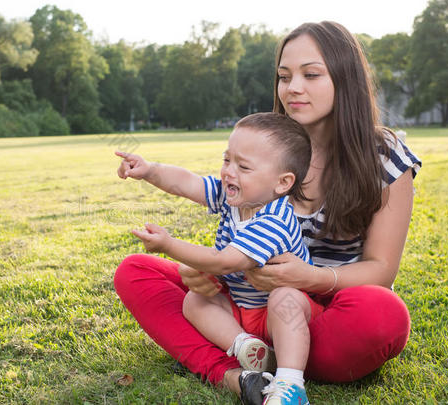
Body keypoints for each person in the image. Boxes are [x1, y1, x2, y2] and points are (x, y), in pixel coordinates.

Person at [114, 21, 421, 405]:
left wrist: (308, 277)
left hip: (322, 311)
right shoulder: (266, 147)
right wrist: (204, 272)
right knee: (135, 272)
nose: (293, 87)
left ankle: (282, 365)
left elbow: (381, 269)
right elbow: (206, 200)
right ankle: (239, 377)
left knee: (382, 314)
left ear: (345, 80)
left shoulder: (385, 158)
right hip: (244, 303)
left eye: (311, 75)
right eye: (284, 76)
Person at [116, 113, 319, 403]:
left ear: (282, 183)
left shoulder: (275, 219)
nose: (228, 172)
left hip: (285, 317)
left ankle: (291, 384)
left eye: (243, 166)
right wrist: (149, 170)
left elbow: (225, 261)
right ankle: (246, 348)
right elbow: (187, 183)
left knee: (283, 298)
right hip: (242, 309)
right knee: (196, 300)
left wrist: (169, 245)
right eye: (227, 160)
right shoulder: (232, 197)